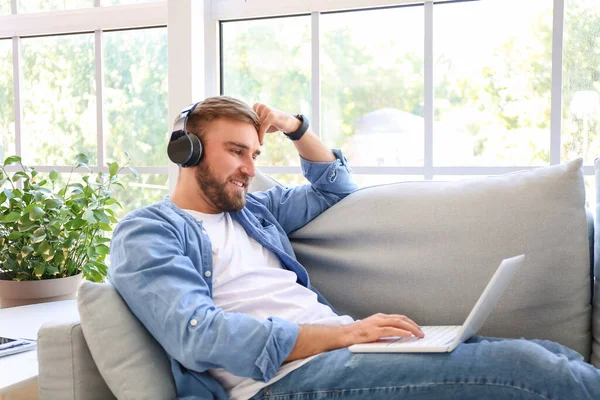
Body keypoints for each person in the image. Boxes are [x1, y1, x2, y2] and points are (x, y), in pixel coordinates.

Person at [109, 96, 600, 400]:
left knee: (550, 353)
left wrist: (294, 126)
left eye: (254, 154)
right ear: (187, 151)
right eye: (236, 151)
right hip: (281, 383)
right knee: (528, 373)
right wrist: (344, 336)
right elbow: (202, 335)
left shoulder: (252, 211)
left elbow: (334, 187)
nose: (249, 167)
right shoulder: (149, 232)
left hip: (342, 352)